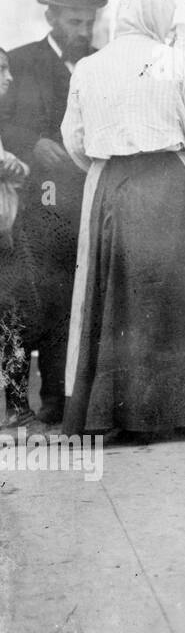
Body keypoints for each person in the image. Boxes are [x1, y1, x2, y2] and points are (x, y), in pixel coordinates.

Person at [60, 0, 185, 437]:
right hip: (171, 182)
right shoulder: (176, 62)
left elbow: (75, 139)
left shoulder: (88, 67)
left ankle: (114, 413)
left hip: (111, 184)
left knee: (116, 295)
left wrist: (108, 166)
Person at [0, 0, 105, 426]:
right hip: (27, 209)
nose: (84, 32)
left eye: (89, 23)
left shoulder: (102, 65)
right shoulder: (17, 62)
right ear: (52, 14)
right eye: (75, 22)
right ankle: (15, 402)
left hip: (81, 204)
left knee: (70, 303)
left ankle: (59, 402)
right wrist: (30, 143)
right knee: (22, 304)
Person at [1, 47, 37, 426]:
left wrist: (16, 166)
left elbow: (16, 173)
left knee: (9, 316)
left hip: (4, 233)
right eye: (1, 70)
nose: (9, 78)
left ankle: (16, 405)